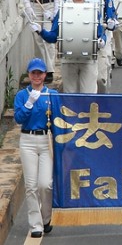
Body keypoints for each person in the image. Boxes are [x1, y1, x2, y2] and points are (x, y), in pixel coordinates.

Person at [34, 0, 106, 93]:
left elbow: (100, 33)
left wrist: (102, 41)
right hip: (68, 59)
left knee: (89, 94)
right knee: (70, 96)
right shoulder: (63, 10)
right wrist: (41, 31)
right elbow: (53, 37)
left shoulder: (93, 9)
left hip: (88, 59)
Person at [14, 58, 58, 239]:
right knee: (31, 186)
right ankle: (36, 224)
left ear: (45, 75)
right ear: (29, 75)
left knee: (45, 184)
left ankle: (46, 217)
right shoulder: (22, 96)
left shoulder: (52, 95)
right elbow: (18, 118)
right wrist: (29, 103)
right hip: (28, 140)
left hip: (46, 140)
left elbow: (59, 119)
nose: (37, 76)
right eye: (33, 73)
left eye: (40, 73)